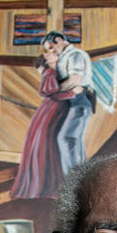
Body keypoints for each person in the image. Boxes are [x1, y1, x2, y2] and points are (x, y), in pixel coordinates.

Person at [10, 51, 73, 199]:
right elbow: (48, 91)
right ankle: (46, 188)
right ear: (46, 61)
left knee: (48, 144)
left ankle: (47, 187)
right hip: (52, 109)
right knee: (47, 144)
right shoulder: (50, 72)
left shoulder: (54, 70)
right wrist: (70, 93)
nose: (53, 54)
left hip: (52, 109)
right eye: (49, 55)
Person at [44, 30, 93, 175]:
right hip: (72, 101)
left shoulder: (75, 55)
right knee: (74, 140)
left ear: (59, 40)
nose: (52, 51)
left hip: (79, 101)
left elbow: (74, 81)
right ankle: (79, 179)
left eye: (52, 47)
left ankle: (73, 181)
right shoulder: (66, 56)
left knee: (66, 138)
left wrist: (54, 90)